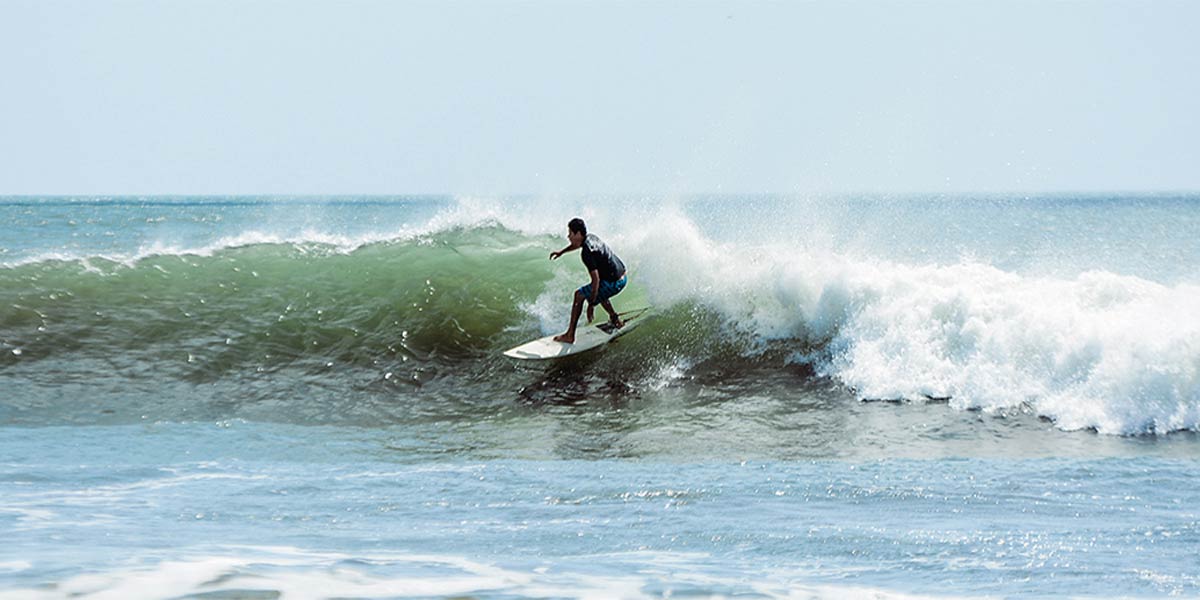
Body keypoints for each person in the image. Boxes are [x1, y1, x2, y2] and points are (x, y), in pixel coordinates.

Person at [549, 218, 627, 344]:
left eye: (570, 233)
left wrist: (591, 304)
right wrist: (561, 252)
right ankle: (615, 320)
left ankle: (570, 335)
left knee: (579, 295)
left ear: (578, 233)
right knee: (600, 290)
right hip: (622, 275)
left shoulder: (586, 253)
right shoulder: (591, 237)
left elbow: (595, 280)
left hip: (614, 282)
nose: (568, 236)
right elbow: (576, 245)